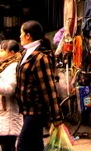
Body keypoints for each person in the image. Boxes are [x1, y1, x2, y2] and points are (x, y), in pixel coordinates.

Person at [16, 21, 62, 151]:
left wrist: (56, 117)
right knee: (35, 145)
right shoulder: (25, 53)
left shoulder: (41, 57)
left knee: (22, 145)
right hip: (26, 109)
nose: (19, 36)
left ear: (28, 35)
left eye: (21, 33)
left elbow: (49, 87)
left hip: (37, 111)